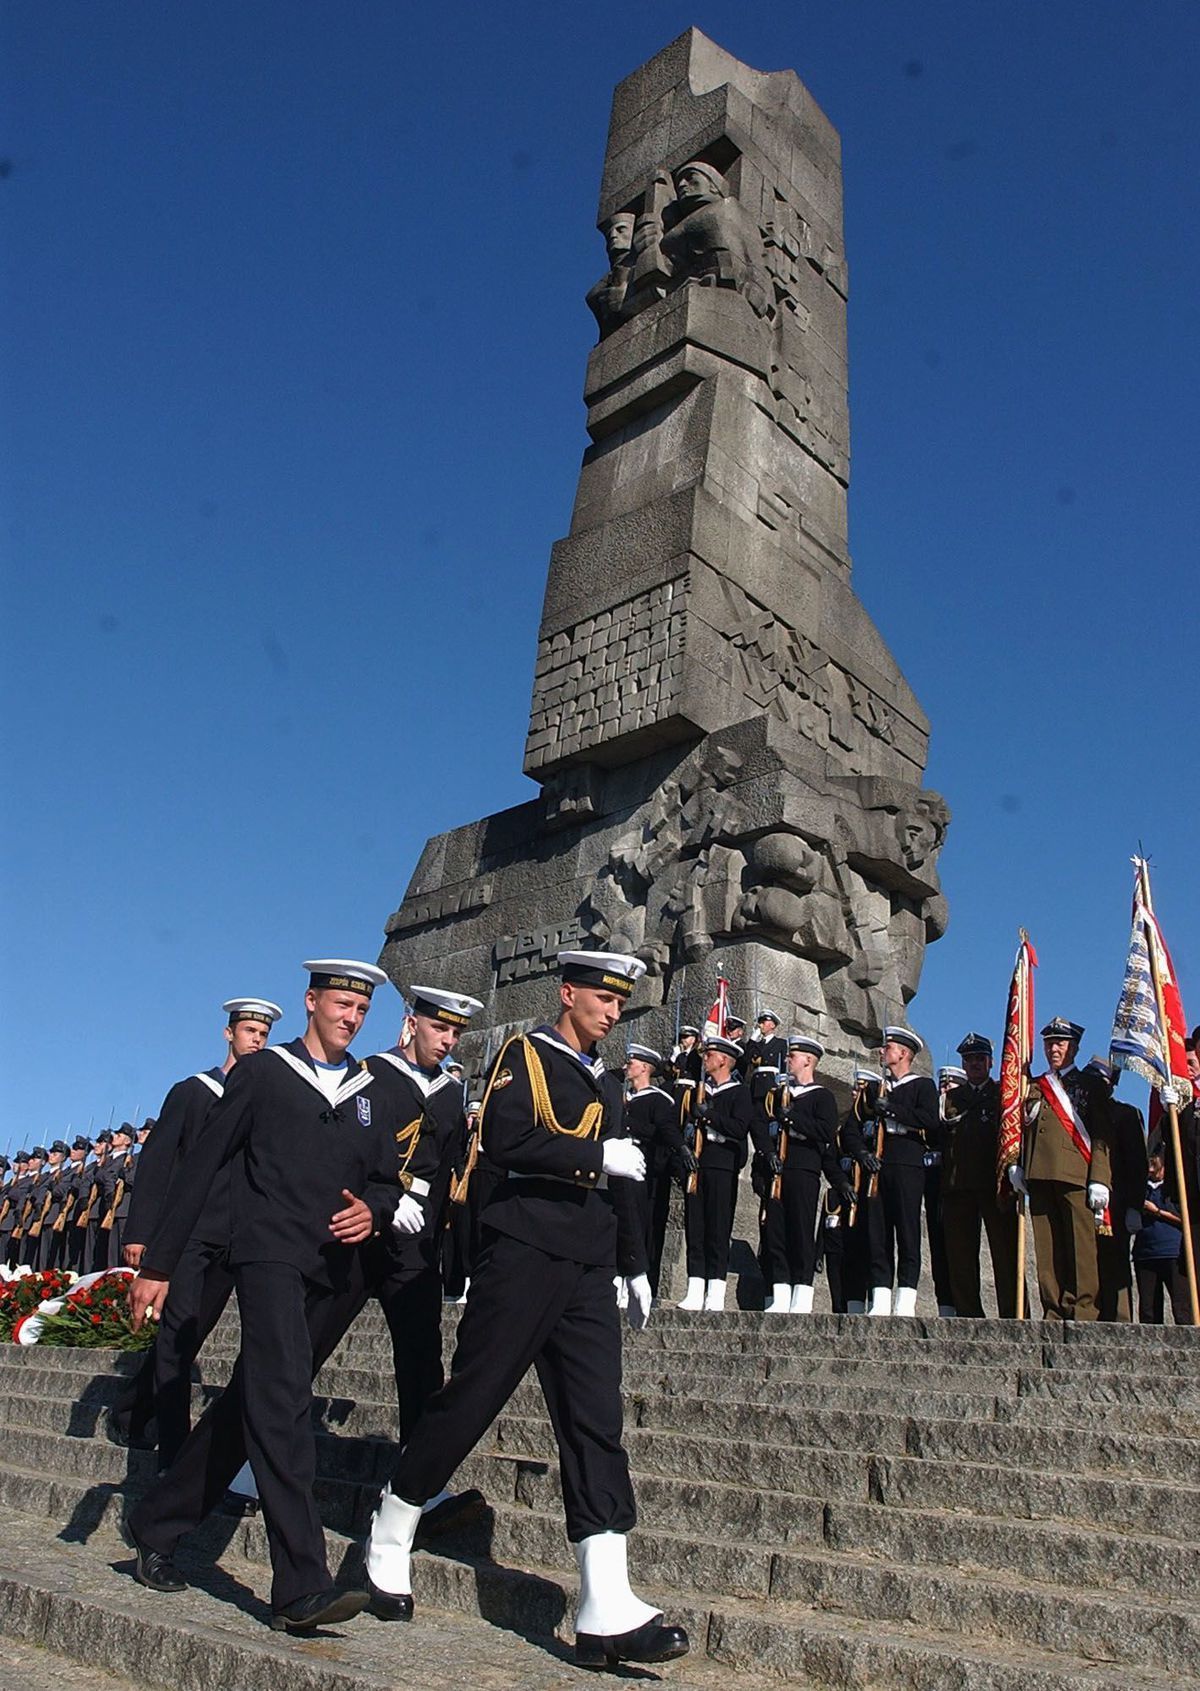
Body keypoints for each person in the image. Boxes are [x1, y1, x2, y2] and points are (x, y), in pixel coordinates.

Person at [364, 950, 688, 1671]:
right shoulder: (526, 1055)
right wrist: (592, 1157)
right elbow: (506, 1136)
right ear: (567, 993)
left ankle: (605, 1600)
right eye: (602, 997)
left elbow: (625, 1178)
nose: (613, 1011)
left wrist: (635, 1262)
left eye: (620, 1001)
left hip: (588, 1264)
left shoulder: (608, 1079)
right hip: (523, 1252)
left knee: (594, 1418)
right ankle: (393, 1522)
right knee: (473, 1396)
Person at [126, 959, 399, 1633]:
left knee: (252, 1400)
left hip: (332, 1269)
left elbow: (387, 1179)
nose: (351, 1018)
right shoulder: (264, 1073)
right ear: (311, 1001)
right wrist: (159, 1262)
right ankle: (301, 1584)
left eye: (361, 1010)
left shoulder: (370, 1089)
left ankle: (157, 1521)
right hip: (267, 1252)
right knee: (282, 1400)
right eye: (341, 1004)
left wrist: (374, 1209)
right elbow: (201, 1165)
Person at [113, 997, 283, 1462]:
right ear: (229, 1033)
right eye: (249, 1031)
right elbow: (158, 1162)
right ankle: (173, 1449)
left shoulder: (263, 1097)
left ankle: (131, 1410)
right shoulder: (194, 1091)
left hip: (234, 1234)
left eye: (263, 1034)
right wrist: (140, 1232)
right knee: (177, 1331)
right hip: (187, 1232)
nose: (257, 1040)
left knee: (194, 1332)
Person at [1011, 1017, 1112, 1321]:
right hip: (1038, 1173)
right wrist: (1016, 1162)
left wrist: (1100, 1178)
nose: (1054, 1049)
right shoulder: (1033, 1085)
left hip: (1076, 1173)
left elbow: (1102, 1135)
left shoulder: (1090, 1086)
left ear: (1075, 1048)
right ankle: (1053, 1309)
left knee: (1081, 1248)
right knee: (1047, 1248)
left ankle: (1083, 1309)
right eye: (1049, 1043)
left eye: (1060, 1043)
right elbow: (1018, 1127)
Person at [757, 1035, 855, 1314]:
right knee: (776, 1233)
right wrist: (768, 1154)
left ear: (808, 1061)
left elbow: (825, 1132)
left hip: (803, 1170)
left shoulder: (821, 1096)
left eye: (793, 1056)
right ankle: (780, 1292)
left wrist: (791, 1117)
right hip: (779, 1170)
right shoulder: (779, 1095)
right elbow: (762, 1127)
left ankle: (802, 1292)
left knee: (800, 1231)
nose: (788, 1059)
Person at [843, 1029, 938, 1317]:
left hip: (907, 1163)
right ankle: (881, 1297)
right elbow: (851, 1129)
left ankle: (905, 1299)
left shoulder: (922, 1086)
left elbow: (930, 1121)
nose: (882, 1051)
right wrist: (863, 1154)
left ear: (904, 1054)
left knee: (907, 1232)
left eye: (889, 1047)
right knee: (878, 1233)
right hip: (877, 1166)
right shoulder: (873, 1090)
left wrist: (893, 1110)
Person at [940, 1035, 1020, 1318]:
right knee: (960, 1255)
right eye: (969, 1060)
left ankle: (1012, 1313)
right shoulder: (951, 1098)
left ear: (990, 1062)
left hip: (994, 1184)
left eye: (979, 1059)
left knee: (1005, 1253)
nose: (974, 1064)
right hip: (958, 1184)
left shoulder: (1002, 1096)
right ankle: (968, 1313)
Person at [677, 1033, 756, 1311]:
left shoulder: (739, 1093)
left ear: (724, 1060)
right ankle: (695, 1287)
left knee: (718, 1228)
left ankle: (715, 1291)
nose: (705, 1059)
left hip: (722, 1165)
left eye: (710, 1055)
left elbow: (739, 1128)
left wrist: (708, 1115)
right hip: (698, 1164)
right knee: (695, 1227)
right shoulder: (700, 1091)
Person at [1088, 1057, 1148, 1323]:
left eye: (1099, 1081)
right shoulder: (1074, 1112)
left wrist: (1135, 1205)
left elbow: (1137, 1163)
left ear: (1111, 1085)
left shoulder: (1125, 1114)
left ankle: (1120, 1320)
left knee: (1115, 1264)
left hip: (1116, 1203)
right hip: (1081, 1198)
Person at [622, 1043, 684, 1299]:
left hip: (646, 1173)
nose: (626, 1067)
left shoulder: (658, 1100)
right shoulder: (622, 1097)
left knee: (644, 1227)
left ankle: (643, 1283)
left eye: (631, 1063)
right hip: (620, 1171)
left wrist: (629, 1124)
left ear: (645, 1068)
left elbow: (661, 1133)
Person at [1134, 1140, 1187, 1323]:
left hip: (1173, 1253)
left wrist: (1157, 1211)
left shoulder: (1175, 1188)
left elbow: (1186, 1220)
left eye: (1155, 1157)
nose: (1151, 1162)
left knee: (1182, 1309)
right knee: (1148, 1312)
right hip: (1145, 1254)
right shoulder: (1140, 1188)